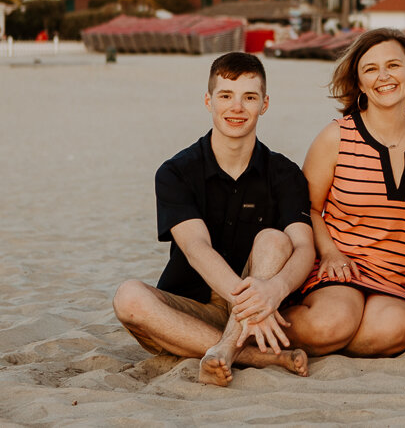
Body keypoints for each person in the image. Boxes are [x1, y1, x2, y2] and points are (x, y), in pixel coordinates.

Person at [112, 52, 314, 385]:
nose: (237, 107)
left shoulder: (285, 174)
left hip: (264, 302)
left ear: (264, 104)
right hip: (194, 309)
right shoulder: (175, 172)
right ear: (209, 101)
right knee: (128, 297)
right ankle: (249, 355)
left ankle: (221, 352)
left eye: (249, 97)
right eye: (226, 96)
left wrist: (274, 290)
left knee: (275, 239)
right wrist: (249, 304)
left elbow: (305, 247)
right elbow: (195, 247)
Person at [282, 29, 405, 357]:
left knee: (391, 330)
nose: (383, 76)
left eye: (393, 65)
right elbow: (306, 208)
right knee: (332, 322)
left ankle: (329, 343)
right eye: (370, 69)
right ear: (360, 83)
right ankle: (271, 326)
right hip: (338, 270)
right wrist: (331, 253)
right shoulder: (337, 136)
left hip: (394, 281)